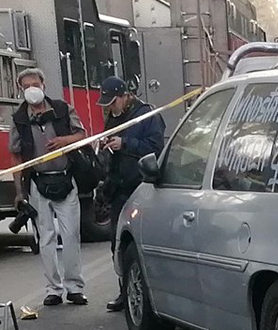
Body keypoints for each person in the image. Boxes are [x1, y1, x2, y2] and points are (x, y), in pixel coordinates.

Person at [9, 67, 88, 306]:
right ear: (20, 90)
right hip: (38, 183)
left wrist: (64, 141)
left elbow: (82, 135)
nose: (31, 90)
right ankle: (53, 289)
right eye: (26, 87)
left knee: (72, 234)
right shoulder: (19, 118)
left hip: (65, 178)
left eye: (35, 84)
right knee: (45, 237)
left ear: (44, 84)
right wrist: (19, 191)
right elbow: (15, 156)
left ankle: (75, 287)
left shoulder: (63, 109)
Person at [94, 75, 166, 311]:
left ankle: (149, 294)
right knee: (118, 244)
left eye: (112, 102)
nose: (110, 108)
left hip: (141, 187)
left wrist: (125, 144)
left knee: (141, 245)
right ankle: (125, 291)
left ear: (125, 96)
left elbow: (156, 149)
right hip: (118, 189)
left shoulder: (146, 116)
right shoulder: (113, 117)